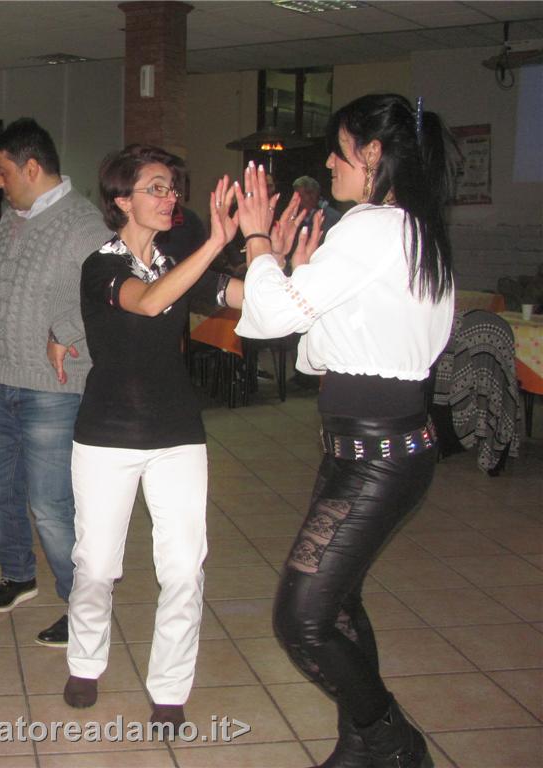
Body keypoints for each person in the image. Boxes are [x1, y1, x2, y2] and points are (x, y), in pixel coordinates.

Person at [233, 94, 454, 768]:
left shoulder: (374, 227)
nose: (329, 162)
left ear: (374, 154)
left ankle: (395, 744)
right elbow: (326, 337)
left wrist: (258, 238)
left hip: (376, 456)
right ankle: (362, 747)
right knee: (338, 604)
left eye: (339, 150)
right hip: (374, 448)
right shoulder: (411, 228)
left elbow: (275, 318)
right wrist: (295, 275)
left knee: (301, 618)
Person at [62, 146, 236, 729]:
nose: (170, 198)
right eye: (156, 188)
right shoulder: (100, 266)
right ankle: (85, 661)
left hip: (177, 432)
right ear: (122, 200)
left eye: (172, 188)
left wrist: (275, 260)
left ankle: (170, 688)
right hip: (107, 435)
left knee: (184, 566)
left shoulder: (176, 261)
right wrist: (214, 244)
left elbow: (237, 295)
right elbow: (150, 300)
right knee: (95, 566)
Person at [0, 117, 112, 646]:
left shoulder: (84, 223)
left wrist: (66, 330)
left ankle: (84, 606)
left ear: (32, 168)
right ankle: (17, 574)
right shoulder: (13, 217)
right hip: (3, 380)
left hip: (55, 387)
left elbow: (111, 291)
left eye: (3, 172)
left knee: (51, 505)